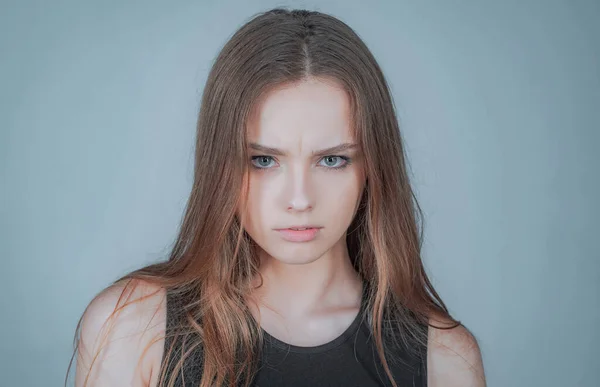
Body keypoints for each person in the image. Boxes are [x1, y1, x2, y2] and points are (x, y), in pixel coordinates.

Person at [68, 7, 486, 387]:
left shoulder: (444, 360)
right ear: (220, 164)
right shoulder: (132, 328)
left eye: (333, 160)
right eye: (264, 160)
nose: (300, 199)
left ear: (373, 168)